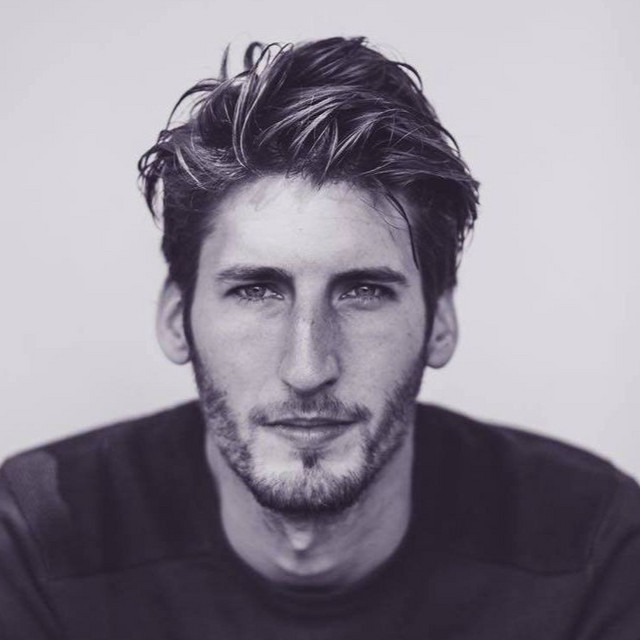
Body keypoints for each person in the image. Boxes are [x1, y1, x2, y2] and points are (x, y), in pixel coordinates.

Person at [1, 37, 638, 640]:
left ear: (440, 322)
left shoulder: (589, 542)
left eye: (363, 291)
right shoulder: (41, 537)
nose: (307, 368)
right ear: (176, 319)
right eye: (257, 291)